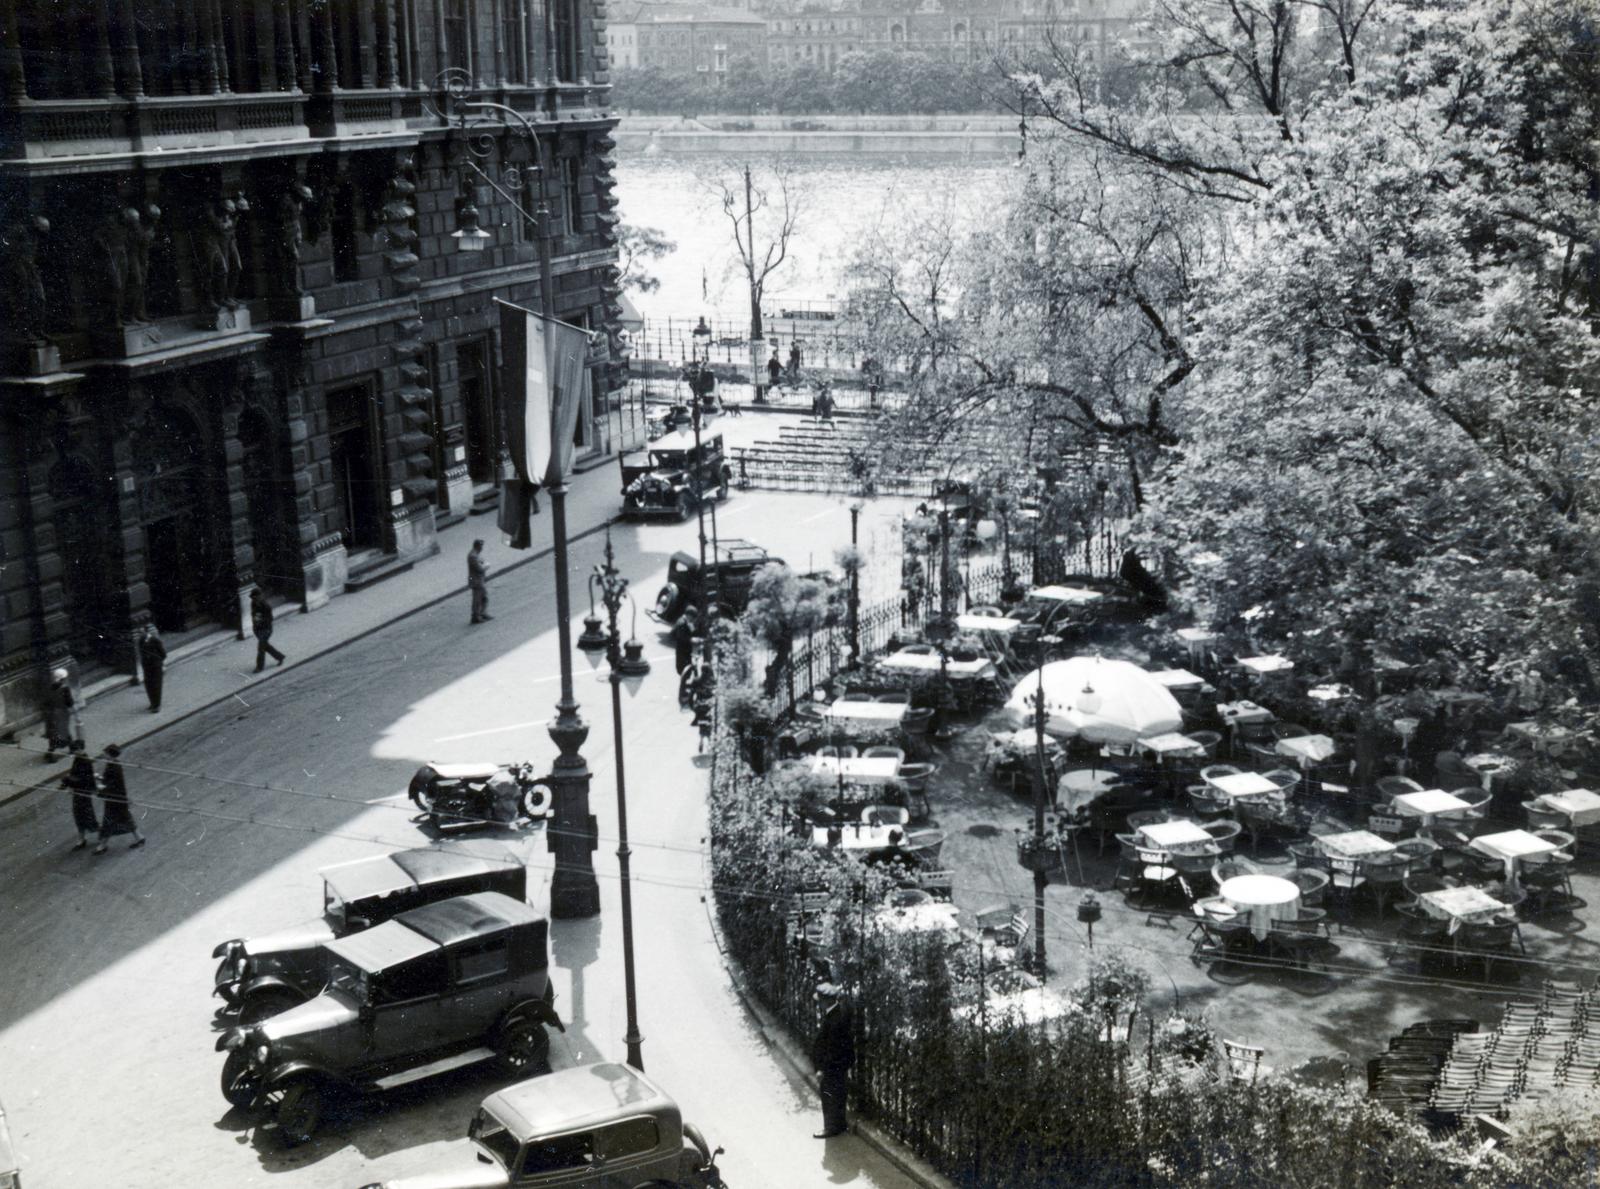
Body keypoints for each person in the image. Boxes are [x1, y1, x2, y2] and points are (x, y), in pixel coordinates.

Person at [811, 982, 855, 1138]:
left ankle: (831, 1127)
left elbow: (832, 1048)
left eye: (820, 1001)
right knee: (837, 1094)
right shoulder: (838, 1012)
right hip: (839, 1065)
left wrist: (822, 1069)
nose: (819, 1004)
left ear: (826, 1001)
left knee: (829, 1095)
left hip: (832, 1066)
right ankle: (839, 1124)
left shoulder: (834, 1020)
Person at [95, 743, 144, 854]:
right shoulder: (112, 764)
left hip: (115, 799)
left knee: (108, 821)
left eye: (105, 753)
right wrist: (100, 778)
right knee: (125, 819)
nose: (104, 755)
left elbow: (112, 785)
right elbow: (110, 781)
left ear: (110, 755)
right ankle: (140, 838)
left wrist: (101, 788)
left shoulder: (114, 767)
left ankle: (102, 845)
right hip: (117, 799)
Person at [63, 739, 99, 849]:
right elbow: (74, 774)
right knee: (79, 815)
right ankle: (82, 839)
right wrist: (67, 784)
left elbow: (83, 779)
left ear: (79, 749)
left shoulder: (85, 761)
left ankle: (101, 835)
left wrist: (68, 781)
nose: (73, 752)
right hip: (78, 792)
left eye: (74, 750)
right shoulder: (78, 758)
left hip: (83, 793)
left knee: (86, 815)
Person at [44, 667, 77, 763]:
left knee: (53, 733)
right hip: (62, 712)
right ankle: (71, 748)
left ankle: (51, 751)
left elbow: (46, 701)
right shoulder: (65, 688)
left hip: (51, 713)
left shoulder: (49, 687)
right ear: (63, 678)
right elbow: (70, 702)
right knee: (64, 731)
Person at [250, 588, 285, 672]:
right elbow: (253, 615)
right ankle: (280, 657)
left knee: (261, 647)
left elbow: (270, 619)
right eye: (253, 598)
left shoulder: (266, 607)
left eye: (255, 598)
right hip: (257, 630)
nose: (254, 600)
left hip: (266, 629)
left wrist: (260, 620)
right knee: (265, 646)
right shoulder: (253, 604)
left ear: (259, 597)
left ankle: (259, 667)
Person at [139, 624, 167, 713]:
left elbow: (163, 654)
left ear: (146, 631)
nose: (140, 633)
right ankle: (152, 703)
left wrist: (158, 662)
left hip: (155, 667)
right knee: (148, 685)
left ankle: (157, 705)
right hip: (147, 667)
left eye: (142, 631)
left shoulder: (155, 640)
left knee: (156, 685)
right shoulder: (141, 640)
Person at [468, 538, 492, 624]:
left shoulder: (476, 554)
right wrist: (487, 566)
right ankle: (475, 616)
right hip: (476, 581)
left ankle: (482, 613)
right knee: (477, 600)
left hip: (479, 580)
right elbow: (480, 569)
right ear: (478, 546)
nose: (482, 548)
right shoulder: (472, 556)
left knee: (484, 597)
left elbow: (481, 562)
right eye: (481, 546)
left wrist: (483, 564)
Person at [671, 607, 699, 678]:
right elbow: (680, 637)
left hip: (684, 650)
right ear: (689, 615)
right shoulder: (682, 623)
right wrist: (691, 639)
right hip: (682, 651)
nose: (693, 620)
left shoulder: (685, 621)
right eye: (693, 618)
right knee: (685, 671)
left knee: (686, 671)